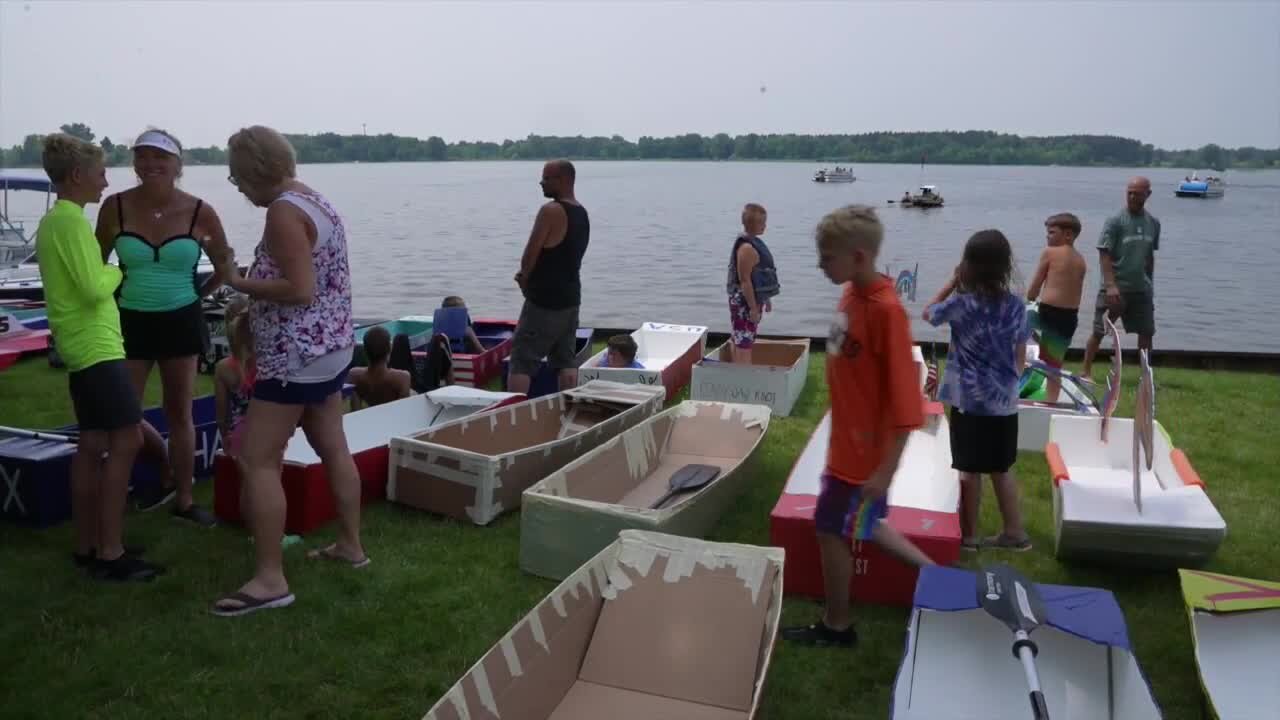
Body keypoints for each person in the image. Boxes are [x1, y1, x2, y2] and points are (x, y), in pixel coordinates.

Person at [209, 125, 366, 617]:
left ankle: (271, 578)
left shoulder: (282, 212)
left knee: (259, 460)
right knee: (333, 446)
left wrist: (237, 281)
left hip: (295, 356)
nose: (236, 186)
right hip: (332, 347)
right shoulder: (313, 199)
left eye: (237, 177)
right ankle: (351, 547)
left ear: (255, 171)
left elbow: (300, 289)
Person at [782, 205, 933, 648]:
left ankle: (837, 624)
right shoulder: (851, 293)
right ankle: (940, 576)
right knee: (864, 523)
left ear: (860, 257)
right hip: (844, 442)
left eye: (827, 257)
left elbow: (907, 402)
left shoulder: (887, 312)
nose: (820, 265)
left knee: (830, 527)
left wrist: (885, 469)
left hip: (863, 457)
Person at [35, 134, 161, 581]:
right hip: (96, 347)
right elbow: (92, 287)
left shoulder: (56, 222)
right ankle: (111, 552)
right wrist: (117, 269)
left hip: (81, 346)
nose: (106, 181)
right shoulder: (70, 224)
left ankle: (87, 544)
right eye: (100, 172)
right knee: (126, 440)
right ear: (76, 176)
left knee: (92, 444)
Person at [95, 128, 229, 526]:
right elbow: (96, 266)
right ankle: (147, 478)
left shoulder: (199, 211)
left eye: (160, 157)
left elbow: (224, 266)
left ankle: (184, 500)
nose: (150, 165)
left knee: (179, 412)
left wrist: (197, 295)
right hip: (129, 322)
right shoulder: (114, 207)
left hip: (181, 321)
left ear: (177, 165)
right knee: (124, 414)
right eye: (142, 157)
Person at [923, 229, 1033, 552]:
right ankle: (1016, 533)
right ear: (1005, 266)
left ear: (967, 265)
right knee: (1001, 469)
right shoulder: (1016, 307)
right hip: (1003, 404)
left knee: (969, 471)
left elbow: (929, 312)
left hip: (969, 402)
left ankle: (969, 538)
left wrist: (950, 283)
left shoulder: (960, 304)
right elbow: (1020, 356)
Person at [507, 160, 589, 395]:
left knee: (522, 359)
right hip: (571, 298)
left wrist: (524, 281)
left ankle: (512, 414)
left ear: (564, 180)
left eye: (546, 178)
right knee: (565, 359)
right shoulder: (581, 212)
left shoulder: (550, 211)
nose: (541, 182)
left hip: (545, 300)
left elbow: (529, 256)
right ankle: (567, 407)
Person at [1081, 177, 1160, 378]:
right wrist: (1110, 285)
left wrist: (1150, 284)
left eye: (1138, 193)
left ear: (1148, 194)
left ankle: (1145, 377)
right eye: (1130, 192)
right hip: (1115, 288)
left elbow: (1149, 256)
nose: (1133, 196)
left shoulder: (1153, 223)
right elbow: (1104, 253)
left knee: (1147, 332)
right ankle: (1086, 371)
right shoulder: (1115, 221)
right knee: (1099, 331)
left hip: (1140, 288)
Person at [1026, 213, 1087, 403]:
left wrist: (1030, 298)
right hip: (1069, 317)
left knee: (1012, 335)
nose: (1047, 237)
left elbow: (1035, 287)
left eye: (1051, 232)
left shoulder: (1050, 253)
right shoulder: (1081, 260)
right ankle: (1050, 401)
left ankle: (1012, 382)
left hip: (1047, 312)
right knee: (1053, 363)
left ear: (1068, 235)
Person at [726, 203, 779, 364]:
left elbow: (759, 278)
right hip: (744, 302)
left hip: (754, 299)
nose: (765, 226)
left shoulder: (755, 243)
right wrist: (753, 308)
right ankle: (743, 377)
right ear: (751, 224)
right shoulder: (747, 248)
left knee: (744, 338)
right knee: (743, 342)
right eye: (762, 222)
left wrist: (766, 298)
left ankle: (740, 372)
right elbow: (745, 281)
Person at [214, 300, 255, 460]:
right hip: (272, 430)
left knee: (248, 482)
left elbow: (222, 414)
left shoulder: (223, 368)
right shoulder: (268, 360)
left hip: (240, 435)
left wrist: (225, 436)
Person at [348, 326, 412, 409]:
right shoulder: (403, 378)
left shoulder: (354, 374)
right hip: (393, 419)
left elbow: (355, 410)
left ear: (365, 351)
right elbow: (403, 411)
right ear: (390, 349)